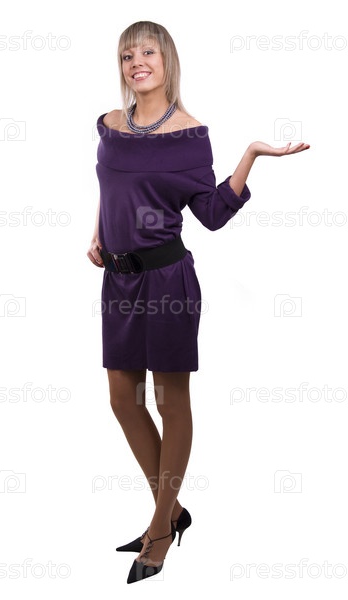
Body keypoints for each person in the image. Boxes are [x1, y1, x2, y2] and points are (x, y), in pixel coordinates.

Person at [87, 20, 310, 584]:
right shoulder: (109, 124)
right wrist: (98, 232)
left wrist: (251, 155)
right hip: (118, 282)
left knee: (170, 401)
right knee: (122, 398)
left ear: (167, 60)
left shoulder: (189, 135)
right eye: (127, 54)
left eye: (148, 52)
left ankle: (161, 527)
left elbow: (210, 215)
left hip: (167, 283)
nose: (137, 62)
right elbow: (110, 186)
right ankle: (175, 510)